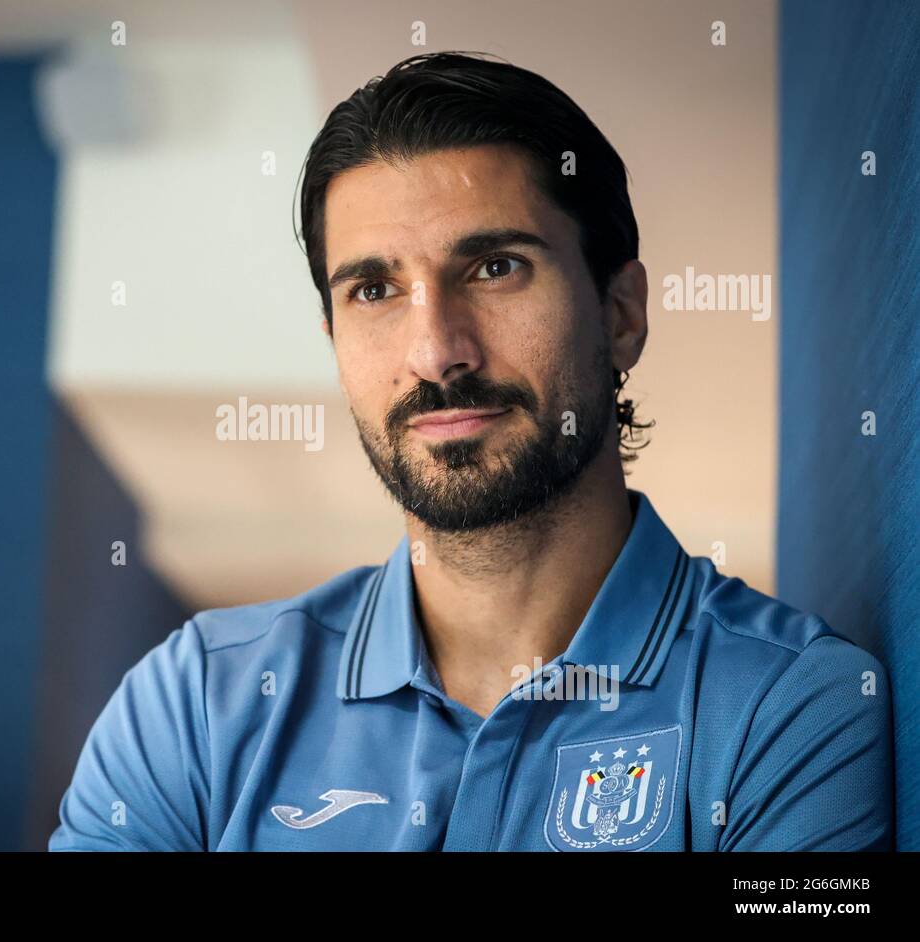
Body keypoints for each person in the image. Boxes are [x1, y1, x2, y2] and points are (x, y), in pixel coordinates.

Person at [48, 52, 893, 851]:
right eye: (374, 291)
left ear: (621, 314)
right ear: (335, 338)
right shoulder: (193, 703)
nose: (435, 351)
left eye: (495, 267)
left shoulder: (789, 708)